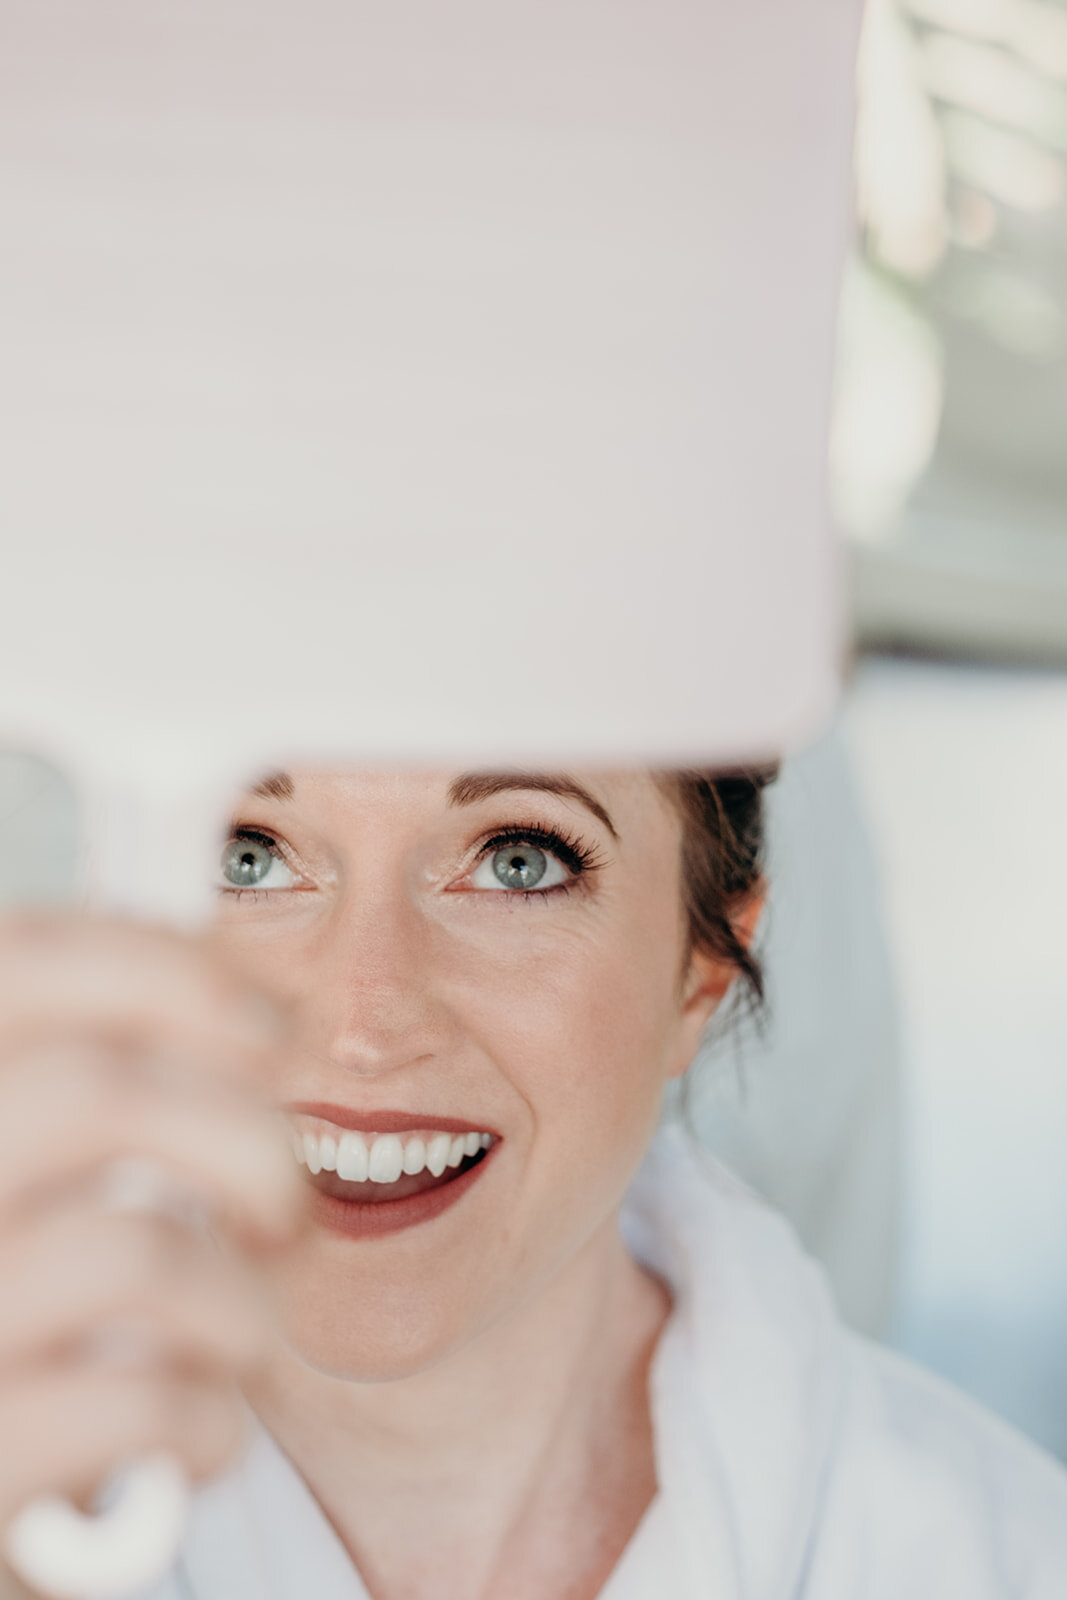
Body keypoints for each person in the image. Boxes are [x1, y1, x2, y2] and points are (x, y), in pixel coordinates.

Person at [1, 765, 1065, 1600]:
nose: (363, 1024)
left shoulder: (1003, 1560)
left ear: (698, 972)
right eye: (248, 854)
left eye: (517, 861)